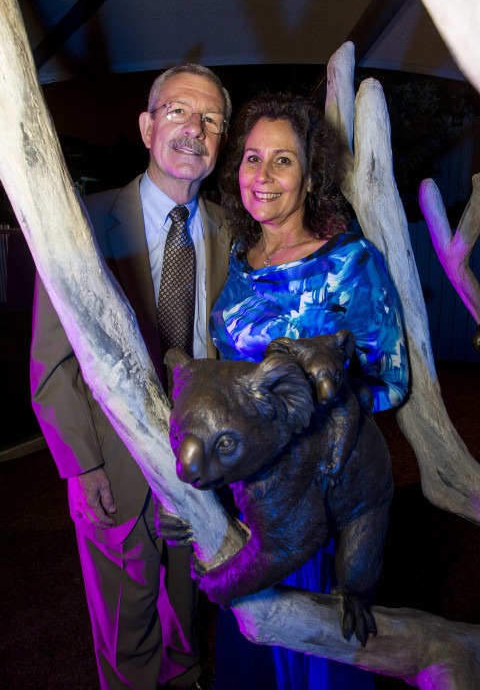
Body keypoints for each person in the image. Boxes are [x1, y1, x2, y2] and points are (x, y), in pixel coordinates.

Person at [30, 64, 233, 690]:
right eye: (177, 112)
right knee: (127, 622)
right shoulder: (84, 222)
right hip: (113, 463)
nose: (194, 129)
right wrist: (79, 465)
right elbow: (50, 358)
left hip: (199, 466)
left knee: (188, 604)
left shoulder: (233, 231)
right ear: (147, 127)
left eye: (211, 120)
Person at [210, 93, 409, 690]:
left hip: (319, 503)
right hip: (244, 497)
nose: (263, 176)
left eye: (283, 161)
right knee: (253, 655)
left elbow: (390, 380)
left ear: (312, 174)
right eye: (251, 158)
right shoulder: (236, 262)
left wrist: (304, 422)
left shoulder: (349, 263)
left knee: (313, 664)